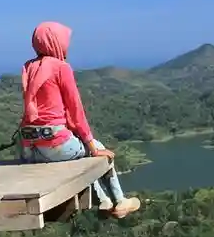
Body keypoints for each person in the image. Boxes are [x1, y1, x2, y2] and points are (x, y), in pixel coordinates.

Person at [18, 21, 141, 219]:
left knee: (80, 153)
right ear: (55, 41)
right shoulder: (61, 68)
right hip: (55, 146)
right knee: (98, 151)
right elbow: (76, 112)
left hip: (28, 149)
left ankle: (103, 202)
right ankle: (120, 202)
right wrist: (93, 146)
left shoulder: (28, 67)